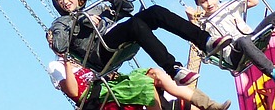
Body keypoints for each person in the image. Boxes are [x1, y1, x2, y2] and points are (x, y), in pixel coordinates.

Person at [48, 0, 228, 88]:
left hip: (115, 37)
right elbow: (60, 45)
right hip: (99, 52)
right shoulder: (60, 23)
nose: (65, 1)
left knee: (155, 12)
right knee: (134, 25)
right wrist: (77, 21)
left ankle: (206, 41)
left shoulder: (96, 9)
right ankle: (173, 69)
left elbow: (127, 9)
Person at [46, 36, 231, 110]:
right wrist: (66, 62)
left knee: (155, 74)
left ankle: (211, 106)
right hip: (95, 94)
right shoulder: (57, 66)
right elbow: (73, 92)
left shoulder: (82, 54)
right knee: (144, 85)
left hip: (112, 83)